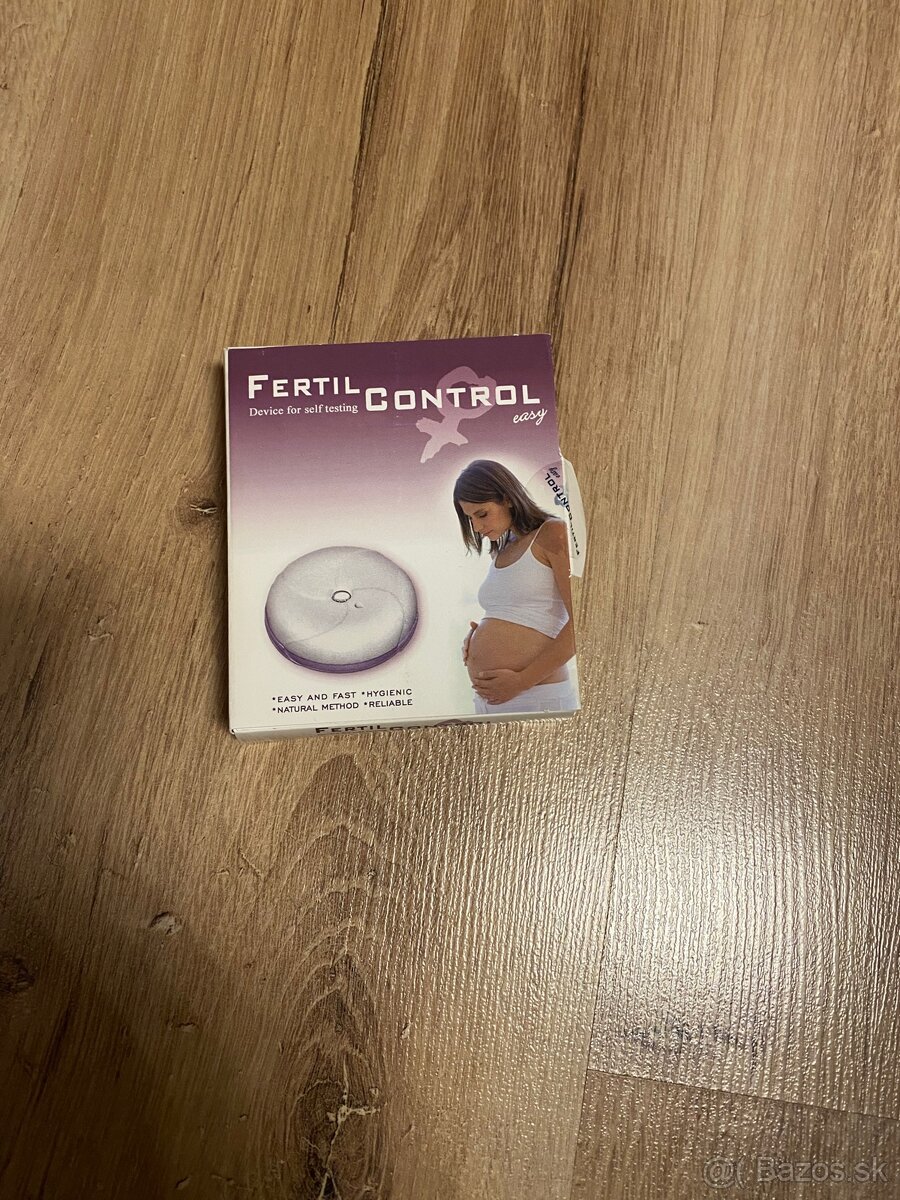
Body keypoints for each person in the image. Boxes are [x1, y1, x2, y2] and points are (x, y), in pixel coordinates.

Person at [453, 459, 578, 714]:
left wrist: (522, 681)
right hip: (492, 701)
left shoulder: (552, 533)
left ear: (508, 499)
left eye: (482, 514)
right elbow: (518, 613)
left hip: (536, 695)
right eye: (470, 518)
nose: (477, 527)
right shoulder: (502, 548)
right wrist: (478, 636)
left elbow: (584, 623)